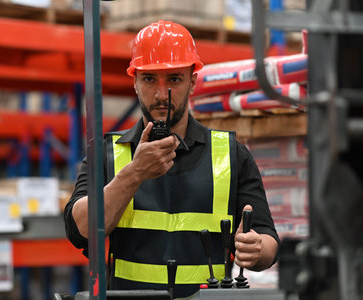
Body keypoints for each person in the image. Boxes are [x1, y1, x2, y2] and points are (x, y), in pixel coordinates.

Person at [64, 20, 279, 298]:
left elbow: (268, 240)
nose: (160, 94)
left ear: (193, 81)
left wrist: (257, 248)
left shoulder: (231, 153)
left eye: (174, 79)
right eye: (149, 79)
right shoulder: (107, 153)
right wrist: (134, 173)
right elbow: (79, 230)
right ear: (135, 82)